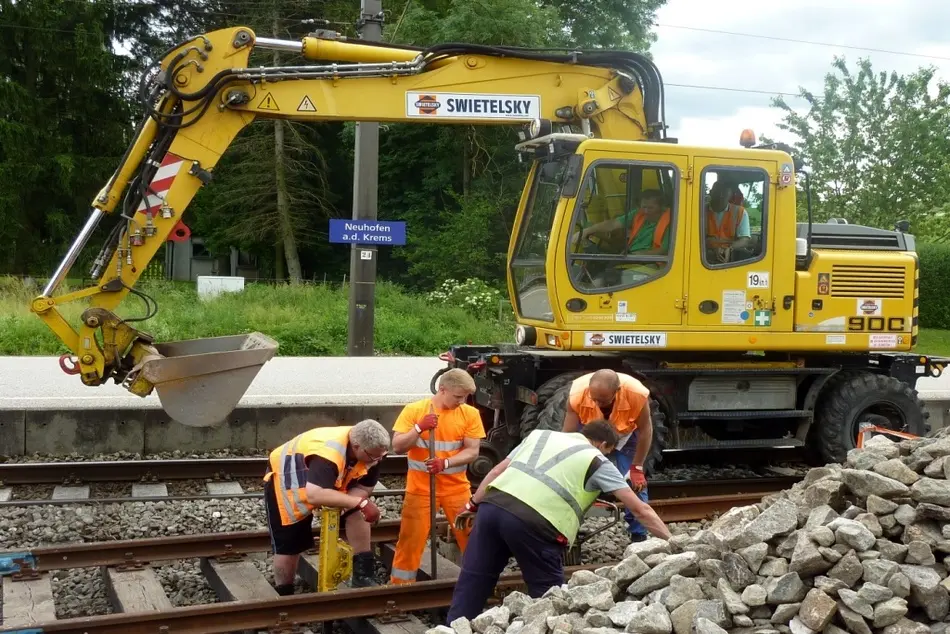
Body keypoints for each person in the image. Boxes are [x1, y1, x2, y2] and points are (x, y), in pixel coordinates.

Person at [443, 421, 672, 623]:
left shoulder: (539, 436)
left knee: (474, 578)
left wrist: (472, 504)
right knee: (548, 595)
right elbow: (640, 509)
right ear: (603, 445)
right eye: (609, 452)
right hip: (535, 523)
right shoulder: (597, 460)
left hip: (492, 508)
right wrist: (674, 543)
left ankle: (452, 629)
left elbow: (495, 472)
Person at [262, 419, 391, 594]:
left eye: (381, 456)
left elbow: (363, 488)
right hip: (289, 478)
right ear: (356, 447)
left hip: (328, 479)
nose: (377, 461)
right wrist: (360, 502)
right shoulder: (328, 455)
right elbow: (314, 494)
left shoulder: (374, 451)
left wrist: (358, 504)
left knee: (357, 511)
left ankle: (363, 575)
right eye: (374, 457)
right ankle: (285, 592)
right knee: (290, 541)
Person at [389, 368, 485, 584]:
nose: (462, 401)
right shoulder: (415, 410)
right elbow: (397, 446)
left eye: (466, 397)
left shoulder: (470, 414)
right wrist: (418, 428)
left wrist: (446, 463)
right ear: (442, 389)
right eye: (458, 396)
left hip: (457, 488)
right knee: (410, 541)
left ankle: (479, 585)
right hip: (420, 489)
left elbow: (473, 451)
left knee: (472, 538)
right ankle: (400, 589)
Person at [563, 369, 653, 541]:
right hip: (592, 432)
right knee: (573, 480)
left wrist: (637, 467)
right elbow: (568, 433)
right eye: (594, 399)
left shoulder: (637, 394)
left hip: (626, 434)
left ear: (617, 392)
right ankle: (567, 530)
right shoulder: (577, 394)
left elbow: (646, 430)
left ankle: (638, 535)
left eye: (602, 400)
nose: (597, 403)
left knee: (635, 484)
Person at [705, 180, 752, 262]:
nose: (720, 196)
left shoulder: (740, 212)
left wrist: (729, 248)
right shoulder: (700, 211)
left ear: (730, 195)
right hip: (704, 256)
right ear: (711, 193)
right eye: (717, 193)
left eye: (724, 193)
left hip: (731, 259)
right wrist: (714, 248)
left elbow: (745, 240)